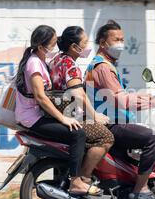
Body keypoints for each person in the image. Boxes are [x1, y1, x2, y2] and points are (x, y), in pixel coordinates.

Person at [84, 20, 155, 199]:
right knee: (154, 139)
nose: (121, 44)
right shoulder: (103, 68)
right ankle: (141, 190)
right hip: (109, 124)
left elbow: (124, 95)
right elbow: (122, 101)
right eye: (116, 40)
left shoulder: (105, 65)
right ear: (103, 43)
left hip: (112, 121)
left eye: (122, 39)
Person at [14, 25, 101, 196]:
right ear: (41, 47)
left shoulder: (39, 61)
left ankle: (63, 179)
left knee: (74, 132)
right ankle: (76, 182)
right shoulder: (34, 64)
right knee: (78, 133)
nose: (55, 48)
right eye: (53, 44)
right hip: (32, 118)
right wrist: (63, 119)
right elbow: (40, 97)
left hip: (36, 114)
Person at [49, 26, 114, 190]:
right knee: (106, 137)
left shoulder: (57, 59)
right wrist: (95, 116)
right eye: (84, 43)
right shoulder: (70, 65)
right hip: (69, 115)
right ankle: (83, 179)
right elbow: (79, 95)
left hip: (59, 112)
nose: (87, 46)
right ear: (74, 47)